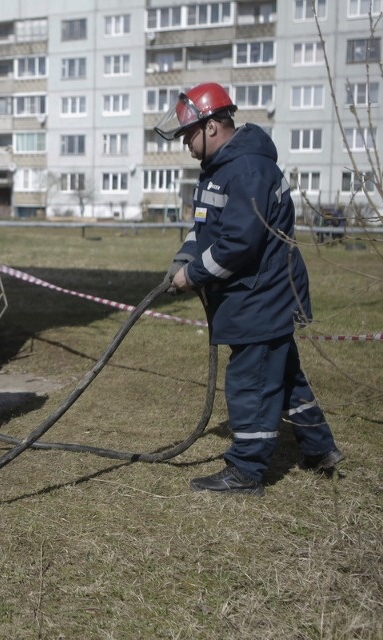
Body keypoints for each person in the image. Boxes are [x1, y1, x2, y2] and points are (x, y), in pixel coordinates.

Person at [155, 82, 343, 496]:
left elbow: (240, 244)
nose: (186, 142)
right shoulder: (220, 169)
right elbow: (204, 227)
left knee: (251, 380)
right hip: (253, 294)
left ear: (213, 127)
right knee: (285, 376)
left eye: (189, 133)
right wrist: (184, 258)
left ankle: (246, 471)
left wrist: (194, 276)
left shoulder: (247, 169)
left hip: (262, 294)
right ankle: (319, 448)